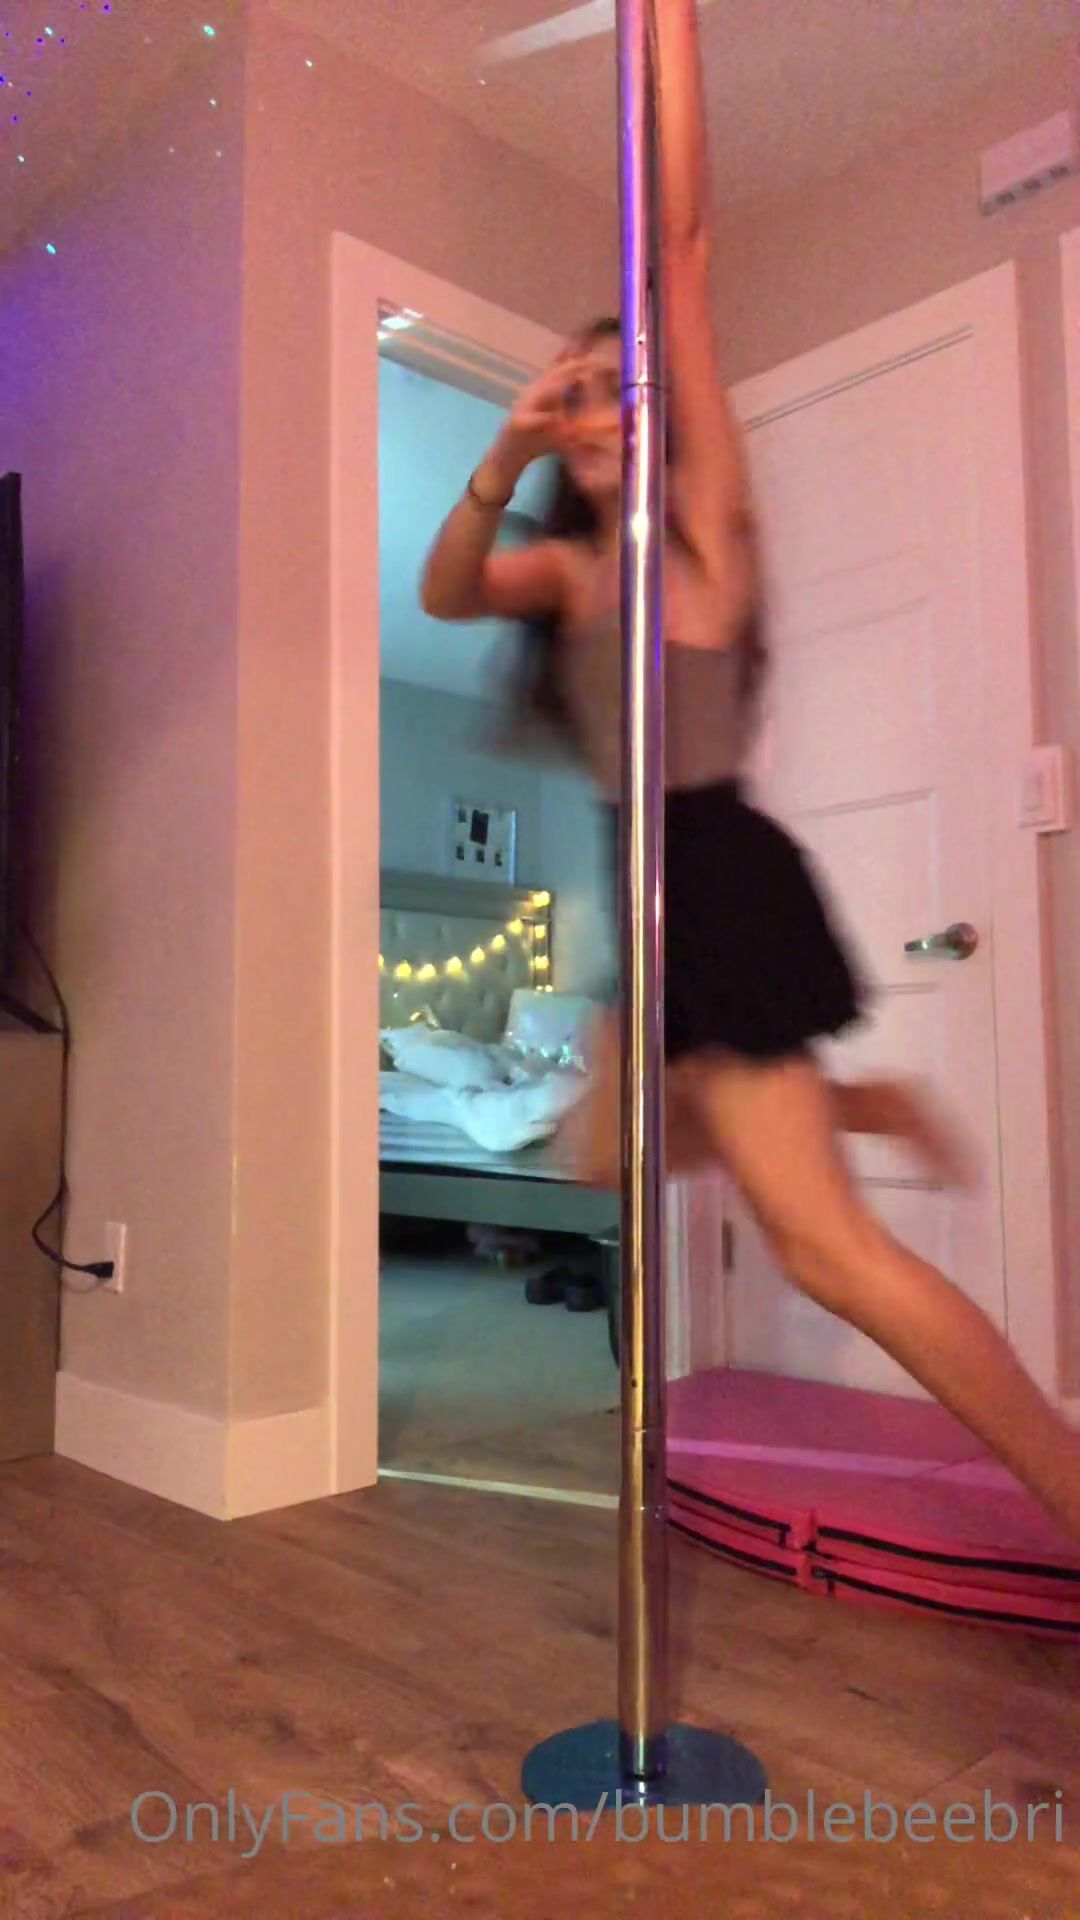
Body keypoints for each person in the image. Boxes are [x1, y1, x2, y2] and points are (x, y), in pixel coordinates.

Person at [420, 0, 1080, 1544]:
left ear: (654, 406)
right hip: (636, 876)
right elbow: (446, 590)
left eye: (616, 384)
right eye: (573, 390)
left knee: (825, 1255)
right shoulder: (564, 574)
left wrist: (669, 28)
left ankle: (1071, 1493)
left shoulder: (701, 524)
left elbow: (686, 245)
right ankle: (851, 1102)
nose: (595, 407)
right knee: (599, 1153)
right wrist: (505, 453)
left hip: (712, 868)